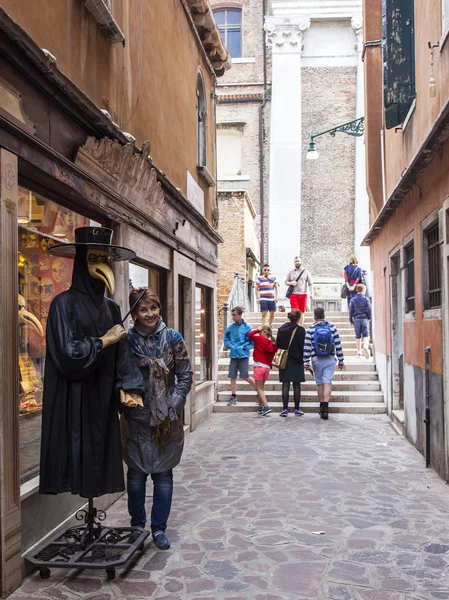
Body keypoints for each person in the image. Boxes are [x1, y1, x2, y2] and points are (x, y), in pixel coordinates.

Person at [40, 226, 144, 498]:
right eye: (94, 259)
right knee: (79, 450)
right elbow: (66, 352)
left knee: (101, 450)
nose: (102, 266)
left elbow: (122, 352)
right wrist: (103, 340)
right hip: (75, 397)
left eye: (105, 260)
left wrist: (129, 386)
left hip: (103, 393)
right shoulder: (63, 303)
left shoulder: (112, 307)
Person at [121, 288, 193, 550]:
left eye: (153, 308)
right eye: (143, 309)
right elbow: (119, 376)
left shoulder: (173, 339)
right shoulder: (126, 342)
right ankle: (137, 527)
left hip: (167, 421)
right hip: (136, 418)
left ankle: (159, 529)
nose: (149, 314)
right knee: (137, 476)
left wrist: (171, 406)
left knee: (163, 476)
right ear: (135, 313)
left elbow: (185, 375)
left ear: (159, 309)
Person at [303, 307, 344, 420]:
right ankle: (325, 407)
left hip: (316, 359)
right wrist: (341, 360)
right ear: (324, 315)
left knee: (319, 383)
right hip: (330, 358)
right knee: (327, 381)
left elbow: (307, 346)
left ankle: (321, 406)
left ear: (314, 317)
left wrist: (306, 361)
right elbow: (338, 344)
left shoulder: (311, 328)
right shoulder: (332, 328)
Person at [275, 309, 306, 417]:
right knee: (297, 384)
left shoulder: (282, 328)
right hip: (297, 360)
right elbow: (303, 346)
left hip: (285, 360)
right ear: (298, 318)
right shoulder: (301, 330)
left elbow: (277, 344)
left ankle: (284, 409)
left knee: (285, 384)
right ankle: (297, 409)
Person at [223, 305, 256, 405]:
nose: (233, 317)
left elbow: (252, 341)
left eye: (234, 315)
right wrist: (230, 346)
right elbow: (226, 339)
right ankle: (233, 396)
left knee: (245, 375)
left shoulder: (247, 327)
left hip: (243, 355)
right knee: (232, 376)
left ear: (240, 315)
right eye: (232, 315)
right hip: (233, 355)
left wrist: (244, 347)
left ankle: (259, 390)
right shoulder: (230, 328)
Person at [247, 325, 278, 416]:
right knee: (261, 388)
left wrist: (257, 329)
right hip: (267, 368)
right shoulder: (271, 343)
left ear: (265, 332)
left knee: (259, 388)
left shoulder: (259, 339)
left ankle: (266, 406)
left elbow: (249, 335)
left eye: (261, 331)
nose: (260, 332)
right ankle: (260, 408)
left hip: (259, 366)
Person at [285, 257, 313, 326]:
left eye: (298, 261)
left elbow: (310, 283)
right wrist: (292, 283)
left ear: (301, 262)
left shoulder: (306, 272)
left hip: (303, 294)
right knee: (294, 312)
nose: (297, 262)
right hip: (294, 294)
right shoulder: (291, 272)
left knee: (302, 312)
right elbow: (286, 282)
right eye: (295, 261)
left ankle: (300, 327)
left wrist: (312, 293)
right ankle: (294, 327)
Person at [349, 283, 372, 359]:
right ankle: (365, 346)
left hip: (356, 319)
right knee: (366, 335)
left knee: (358, 336)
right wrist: (369, 317)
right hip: (364, 318)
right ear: (363, 290)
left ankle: (359, 352)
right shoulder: (366, 299)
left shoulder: (353, 300)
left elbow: (351, 311)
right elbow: (369, 309)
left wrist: (351, 320)